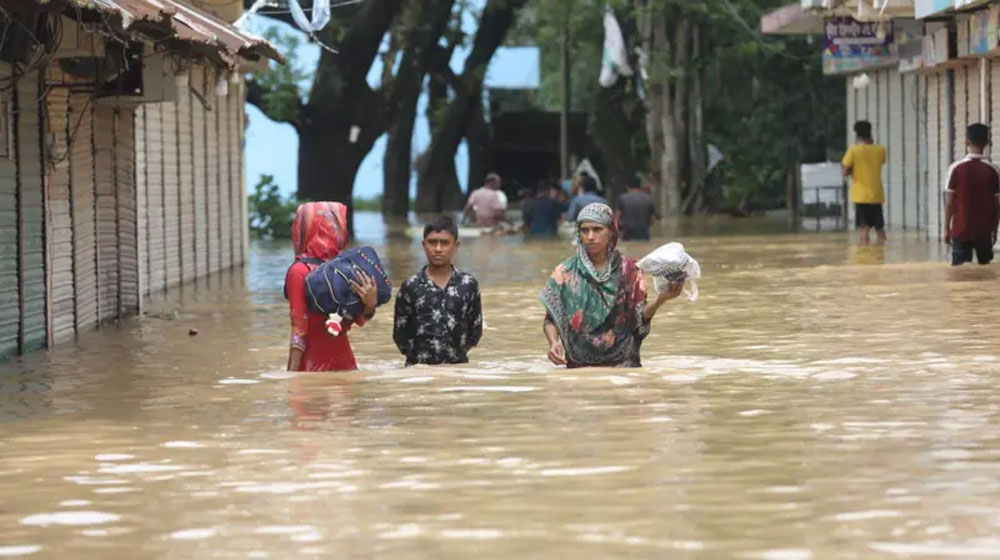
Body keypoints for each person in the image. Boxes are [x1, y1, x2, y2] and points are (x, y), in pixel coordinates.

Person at [540, 203, 683, 368]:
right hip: (579, 367)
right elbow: (550, 319)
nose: (590, 236)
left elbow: (637, 317)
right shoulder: (565, 272)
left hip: (622, 366)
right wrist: (553, 343)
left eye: (597, 229)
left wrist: (661, 300)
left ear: (611, 233)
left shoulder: (629, 269)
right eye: (584, 230)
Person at [284, 202, 378, 372]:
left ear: (303, 229)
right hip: (346, 365)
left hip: (312, 366)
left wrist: (291, 379)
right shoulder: (347, 269)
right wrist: (370, 306)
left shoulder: (299, 271)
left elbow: (299, 329)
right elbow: (359, 320)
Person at [394, 215, 484, 366]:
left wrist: (455, 355)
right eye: (432, 243)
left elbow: (475, 331)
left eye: (444, 243)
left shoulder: (468, 284)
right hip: (419, 372)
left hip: (458, 369)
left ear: (456, 246)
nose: (438, 249)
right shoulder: (411, 286)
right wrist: (420, 360)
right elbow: (401, 334)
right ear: (423, 245)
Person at [944, 123, 1000, 266]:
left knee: (960, 277)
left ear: (966, 142)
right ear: (987, 143)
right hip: (984, 232)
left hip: (960, 230)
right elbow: (997, 205)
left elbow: (949, 204)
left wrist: (946, 229)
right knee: (986, 273)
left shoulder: (956, 169)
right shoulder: (994, 171)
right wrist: (994, 230)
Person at [842, 120, 888, 244]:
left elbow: (844, 172)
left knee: (864, 229)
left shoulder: (853, 151)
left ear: (857, 135)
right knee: (880, 229)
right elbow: (882, 162)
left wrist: (852, 171)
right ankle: (882, 255)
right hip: (876, 194)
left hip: (860, 196)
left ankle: (865, 259)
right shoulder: (880, 150)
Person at [615, 175, 659, 241]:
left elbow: (617, 218)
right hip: (644, 235)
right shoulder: (648, 199)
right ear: (640, 186)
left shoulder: (622, 198)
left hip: (627, 235)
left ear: (627, 186)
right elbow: (653, 220)